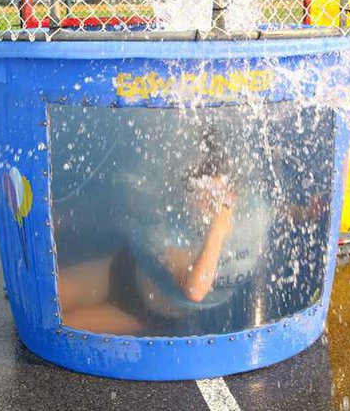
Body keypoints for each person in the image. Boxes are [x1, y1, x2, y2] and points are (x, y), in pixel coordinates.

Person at [58, 128, 272, 335]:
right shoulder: (174, 232)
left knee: (66, 326)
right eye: (199, 194)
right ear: (187, 198)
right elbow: (195, 289)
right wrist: (217, 231)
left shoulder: (252, 212)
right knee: (52, 299)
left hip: (141, 310)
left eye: (216, 196)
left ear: (233, 196)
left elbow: (279, 212)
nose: (208, 205)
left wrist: (304, 214)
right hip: (124, 269)